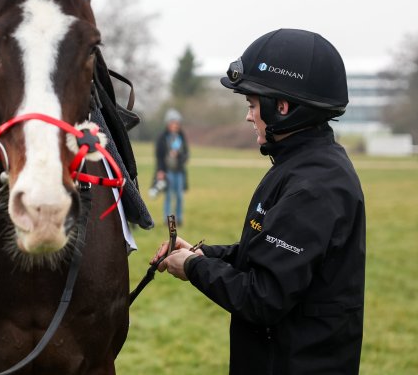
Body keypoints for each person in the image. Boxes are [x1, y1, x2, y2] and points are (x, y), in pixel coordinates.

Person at [152, 28, 365, 374]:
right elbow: (270, 256)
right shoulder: (301, 164)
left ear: (282, 107)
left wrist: (193, 268)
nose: (249, 116)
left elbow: (262, 297)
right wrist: (206, 254)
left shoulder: (314, 186)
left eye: (252, 105)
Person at [154, 108, 190, 225]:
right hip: (167, 172)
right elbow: (159, 156)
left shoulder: (181, 137)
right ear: (168, 123)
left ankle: (179, 219)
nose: (175, 125)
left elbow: (186, 154)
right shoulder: (162, 137)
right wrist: (160, 170)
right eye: (173, 123)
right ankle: (168, 220)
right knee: (168, 196)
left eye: (177, 123)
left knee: (179, 196)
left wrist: (179, 155)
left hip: (179, 171)